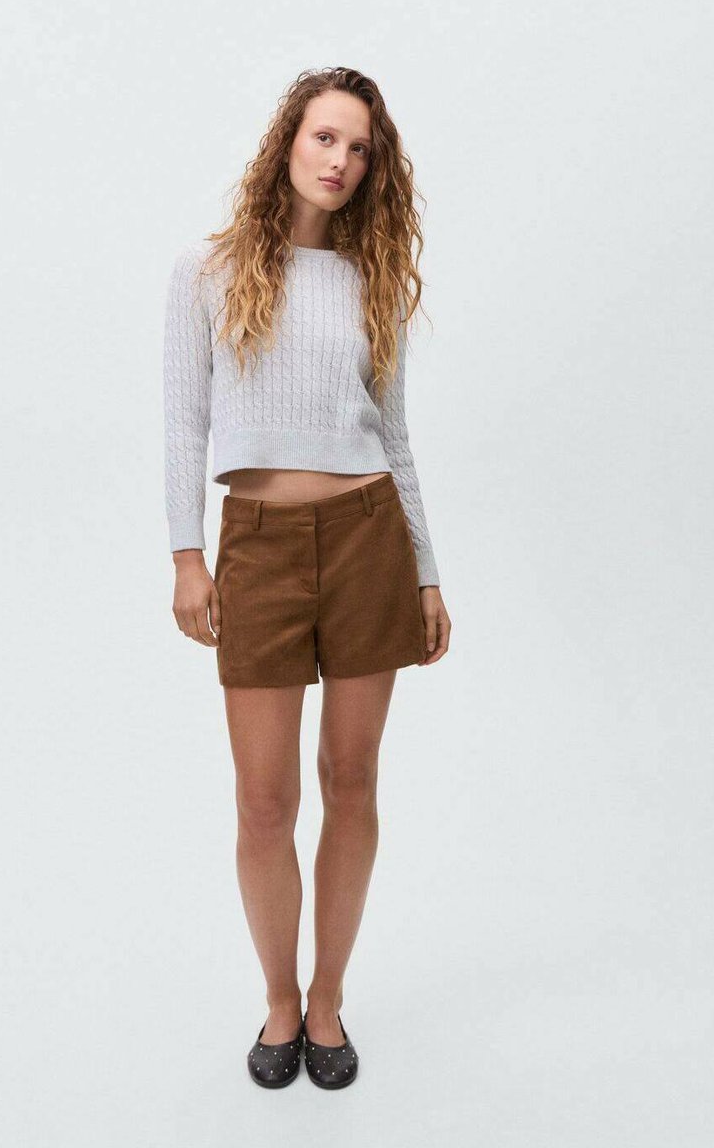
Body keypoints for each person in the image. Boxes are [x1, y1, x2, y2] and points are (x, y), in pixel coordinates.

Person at [163, 66, 452, 1089]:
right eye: (325, 137)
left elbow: (396, 436)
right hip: (258, 546)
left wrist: (426, 574)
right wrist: (187, 555)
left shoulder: (371, 279)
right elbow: (184, 423)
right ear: (287, 139)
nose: (340, 160)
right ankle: (278, 1000)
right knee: (262, 800)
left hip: (370, 538)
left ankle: (326, 1000)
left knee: (351, 780)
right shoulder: (207, 271)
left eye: (359, 148)